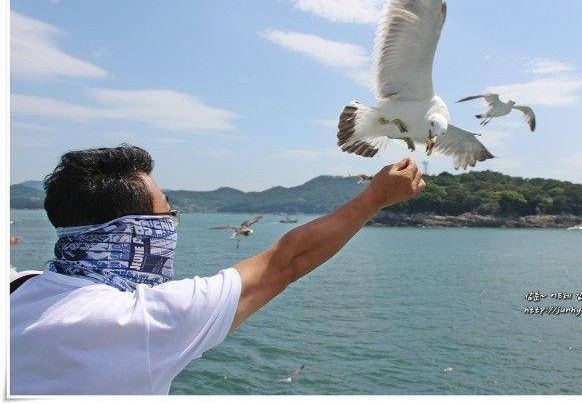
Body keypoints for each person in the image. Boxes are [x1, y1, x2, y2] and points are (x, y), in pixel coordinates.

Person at [9, 144, 425, 395]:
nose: (174, 220)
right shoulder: (143, 321)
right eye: (166, 211)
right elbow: (287, 260)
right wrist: (375, 198)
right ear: (138, 231)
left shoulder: (18, 288)